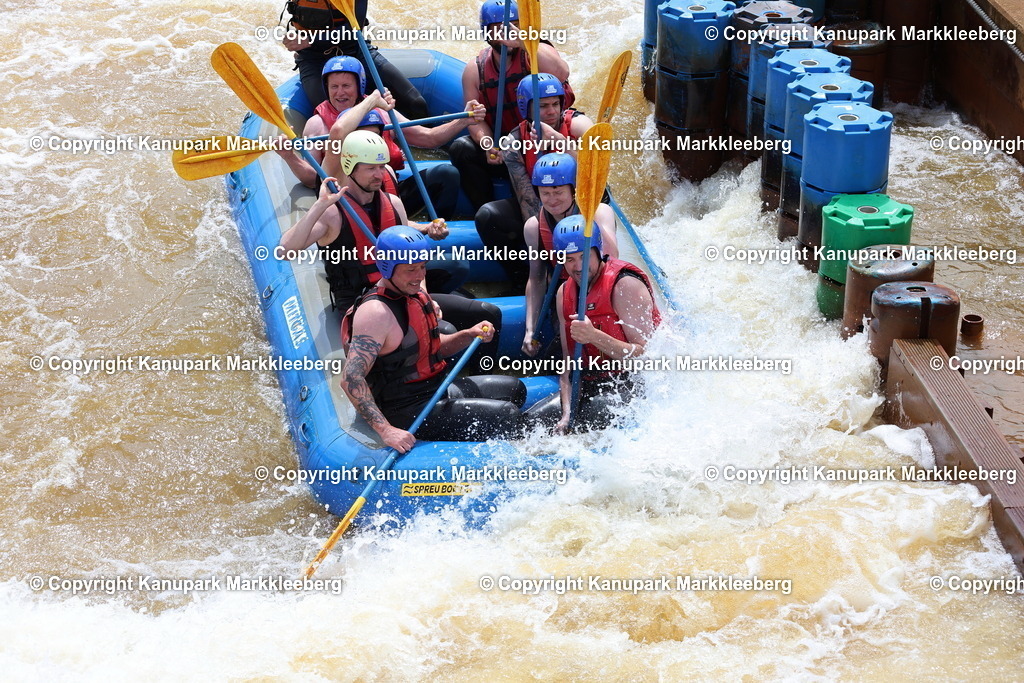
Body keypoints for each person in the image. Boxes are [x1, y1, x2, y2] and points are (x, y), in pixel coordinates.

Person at [278, 131, 500, 368]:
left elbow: (413, 260)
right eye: (371, 168)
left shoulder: (393, 203)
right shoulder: (332, 213)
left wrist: (424, 297)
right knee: (444, 331)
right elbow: (285, 250)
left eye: (381, 167)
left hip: (402, 291)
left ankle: (481, 372)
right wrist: (320, 205)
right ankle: (433, 380)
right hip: (366, 304)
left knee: (488, 312)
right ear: (350, 167)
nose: (379, 174)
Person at [341, 226, 526, 452]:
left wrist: (468, 335)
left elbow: (433, 349)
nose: (419, 276)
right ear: (387, 267)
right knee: (507, 416)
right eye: (411, 269)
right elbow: (351, 378)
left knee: (515, 389)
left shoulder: (416, 295)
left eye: (422, 266)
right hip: (407, 409)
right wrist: (386, 430)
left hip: (436, 389)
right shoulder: (376, 313)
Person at [277, 58, 485, 218]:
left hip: (390, 194)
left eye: (346, 86)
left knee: (447, 173)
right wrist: (289, 156)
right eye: (334, 87)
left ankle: (437, 229)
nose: (340, 93)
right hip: (352, 203)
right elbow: (313, 178)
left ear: (359, 86)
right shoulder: (318, 124)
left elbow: (429, 138)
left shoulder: (382, 110)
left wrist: (463, 120)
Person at [526, 216, 661, 433]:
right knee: (532, 423)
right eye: (569, 259)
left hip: (634, 382)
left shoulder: (625, 284)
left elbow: (645, 356)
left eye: (584, 256)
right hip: (591, 381)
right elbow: (568, 364)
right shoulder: (563, 293)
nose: (578, 266)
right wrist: (566, 414)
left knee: (594, 413)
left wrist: (594, 336)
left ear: (598, 252)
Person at [449, 0, 574, 209]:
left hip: (542, 140)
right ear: (487, 33)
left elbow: (561, 73)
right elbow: (475, 118)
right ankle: (486, 209)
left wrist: (524, 41)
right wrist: (488, 144)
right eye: (499, 28)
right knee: (462, 148)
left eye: (514, 26)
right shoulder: (475, 70)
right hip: (505, 145)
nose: (507, 32)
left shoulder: (535, 51)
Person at [475, 77, 593, 291]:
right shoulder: (514, 142)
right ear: (526, 109)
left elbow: (594, 170)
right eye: (543, 106)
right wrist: (549, 238)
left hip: (583, 205)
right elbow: (528, 200)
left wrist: (559, 141)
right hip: (548, 205)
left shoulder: (579, 126)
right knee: (488, 217)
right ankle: (525, 279)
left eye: (555, 104)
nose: (552, 111)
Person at [521, 153, 617, 356]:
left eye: (558, 192)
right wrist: (530, 329)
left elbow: (613, 258)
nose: (552, 200)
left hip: (603, 289)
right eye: (545, 193)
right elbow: (536, 278)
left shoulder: (600, 211)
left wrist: (591, 217)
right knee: (557, 356)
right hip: (566, 295)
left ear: (574, 189)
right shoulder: (533, 227)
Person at [280, 0, 428, 119]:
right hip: (313, 59)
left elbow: (353, 30)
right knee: (331, 115)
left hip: (354, 50)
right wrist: (294, 40)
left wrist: (311, 40)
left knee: (416, 103)